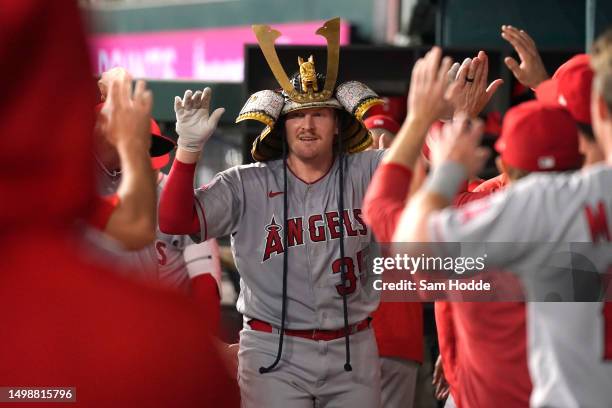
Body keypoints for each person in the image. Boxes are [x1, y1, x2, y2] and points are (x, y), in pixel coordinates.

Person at [0, 1, 239, 406]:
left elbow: (199, 272)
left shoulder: (78, 197)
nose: (144, 150)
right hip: (95, 338)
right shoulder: (73, 195)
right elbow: (135, 224)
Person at [160, 18, 388, 407]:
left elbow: (428, 169)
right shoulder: (245, 184)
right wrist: (187, 151)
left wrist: (438, 116)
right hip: (272, 350)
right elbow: (175, 222)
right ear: (280, 127)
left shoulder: (368, 170)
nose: (308, 124)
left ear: (338, 124)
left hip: (354, 347)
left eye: (321, 113)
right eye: (297, 115)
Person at [393, 31, 612, 408]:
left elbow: (416, 242)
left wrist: (434, 123)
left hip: (519, 385)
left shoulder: (539, 203)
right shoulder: (552, 195)